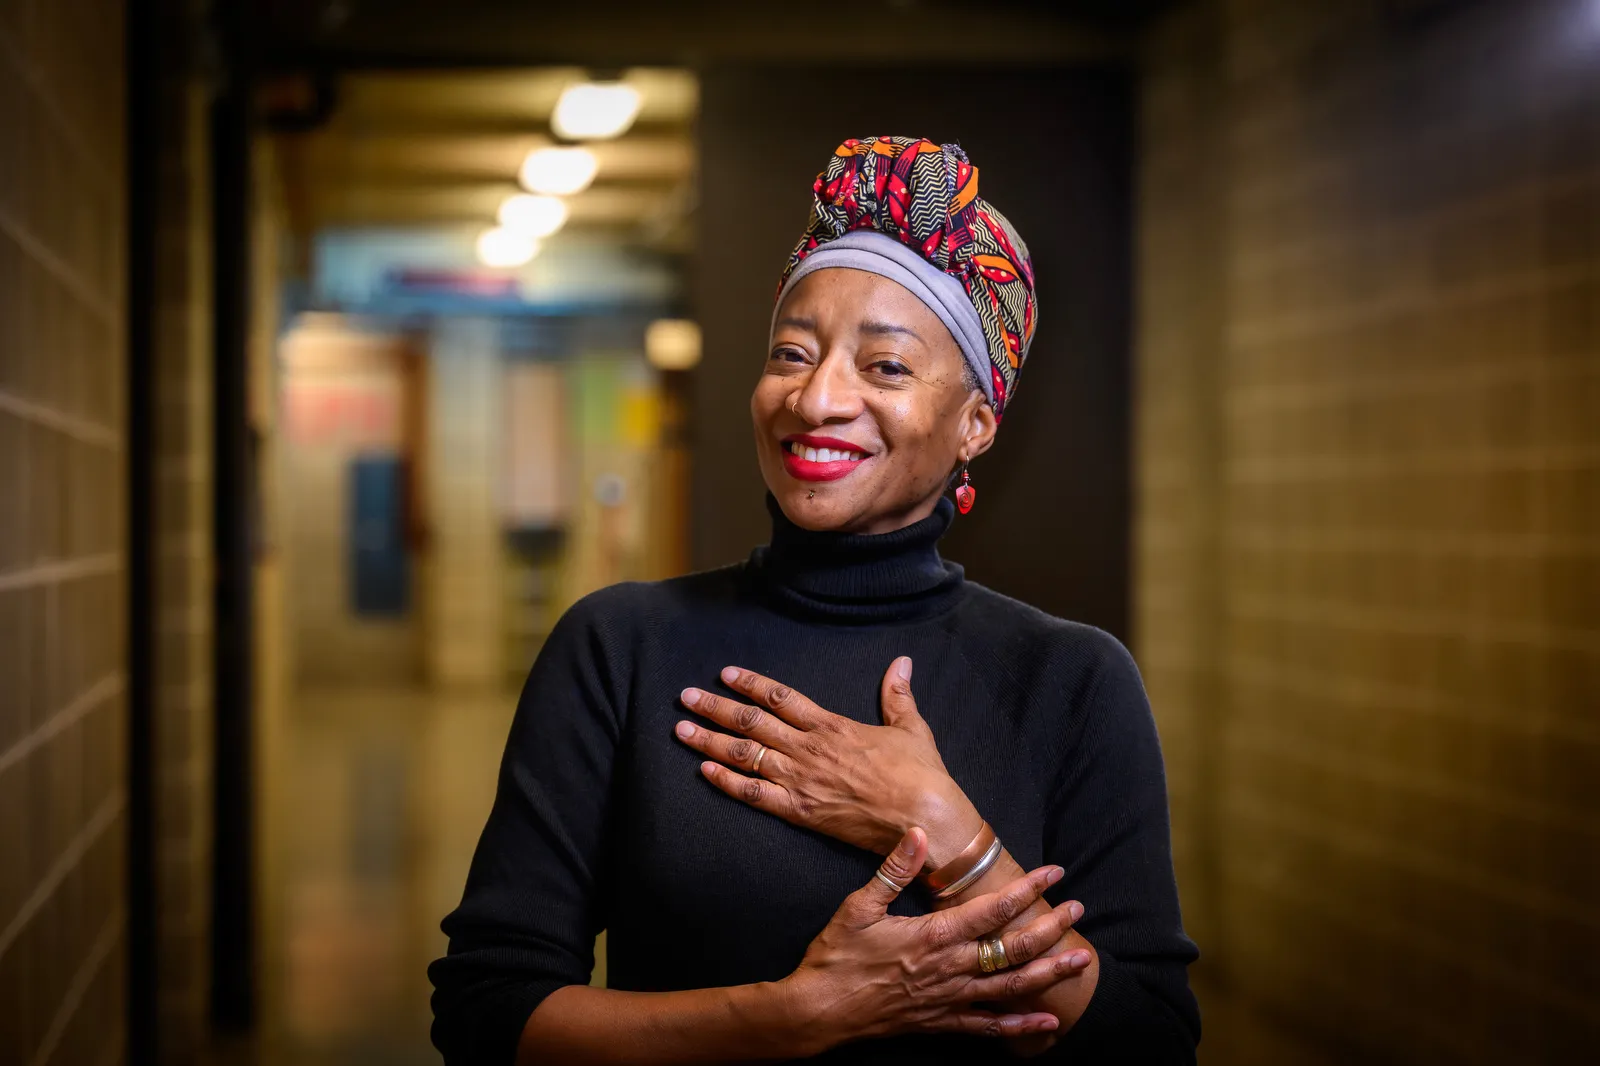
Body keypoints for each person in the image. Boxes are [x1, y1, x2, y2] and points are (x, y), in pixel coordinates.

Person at [429, 135, 1200, 1065]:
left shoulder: (1070, 681)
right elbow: (485, 1014)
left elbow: (1149, 1041)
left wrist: (948, 830)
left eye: (886, 367)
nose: (817, 397)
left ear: (975, 424)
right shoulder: (619, 648)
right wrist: (791, 1018)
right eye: (792, 353)